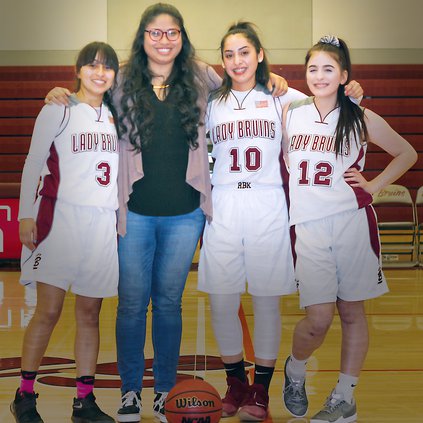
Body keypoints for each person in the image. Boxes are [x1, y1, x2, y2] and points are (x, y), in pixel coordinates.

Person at [44, 4, 291, 423]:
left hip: (185, 213)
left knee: (170, 304)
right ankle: (128, 392)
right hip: (134, 212)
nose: (164, 40)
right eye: (155, 33)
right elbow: (90, 95)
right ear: (143, 37)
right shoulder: (122, 78)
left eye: (172, 32)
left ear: (182, 37)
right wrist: (62, 95)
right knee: (131, 305)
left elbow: (243, 85)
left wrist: (275, 80)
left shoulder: (198, 75)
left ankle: (162, 391)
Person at [197, 23, 363, 422]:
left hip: (268, 203)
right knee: (222, 301)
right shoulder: (210, 103)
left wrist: (351, 91)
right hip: (222, 204)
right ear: (223, 61)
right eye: (229, 54)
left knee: (266, 301)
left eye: (244, 52)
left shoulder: (283, 97)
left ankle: (261, 390)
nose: (237, 61)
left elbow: (329, 100)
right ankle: (235, 383)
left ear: (259, 54)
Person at [281, 35, 417, 423]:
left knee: (353, 313)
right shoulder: (291, 110)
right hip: (308, 227)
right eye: (312, 69)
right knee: (319, 318)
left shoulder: (359, 117)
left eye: (329, 69)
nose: (319, 76)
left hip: (353, 226)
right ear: (304, 74)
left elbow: (407, 152)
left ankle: (345, 396)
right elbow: (265, 81)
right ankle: (295, 368)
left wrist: (373, 187)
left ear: (343, 76)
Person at [11, 42, 120, 423]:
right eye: (92, 65)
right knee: (49, 310)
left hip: (101, 225)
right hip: (58, 220)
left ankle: (84, 402)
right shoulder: (57, 108)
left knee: (90, 314)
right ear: (77, 70)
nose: (99, 72)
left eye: (107, 68)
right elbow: (32, 163)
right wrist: (26, 215)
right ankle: (24, 395)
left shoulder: (116, 115)